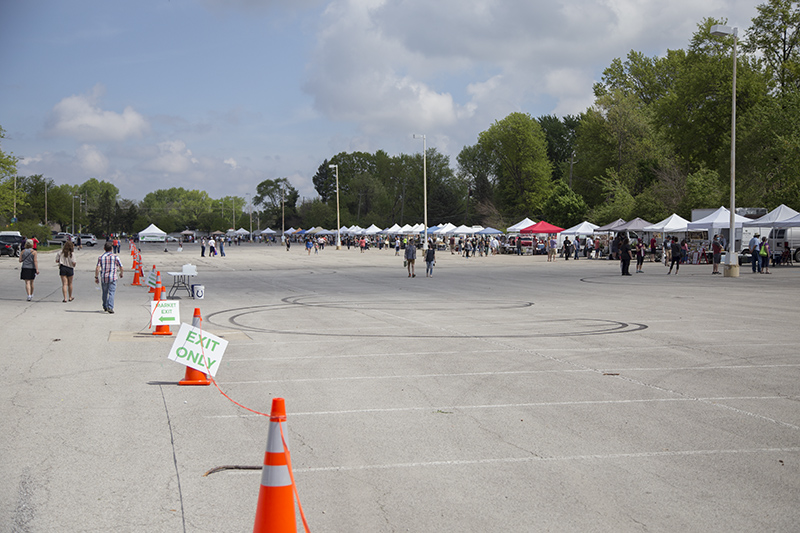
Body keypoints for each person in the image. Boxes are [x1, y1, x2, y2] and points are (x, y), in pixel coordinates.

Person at [95, 241, 123, 313]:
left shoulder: (101, 257)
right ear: (111, 249)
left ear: (104, 249)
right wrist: (121, 273)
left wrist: (96, 277)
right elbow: (121, 266)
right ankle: (110, 307)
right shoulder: (115, 257)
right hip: (113, 277)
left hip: (104, 277)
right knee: (111, 292)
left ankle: (105, 305)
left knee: (105, 292)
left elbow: (97, 268)